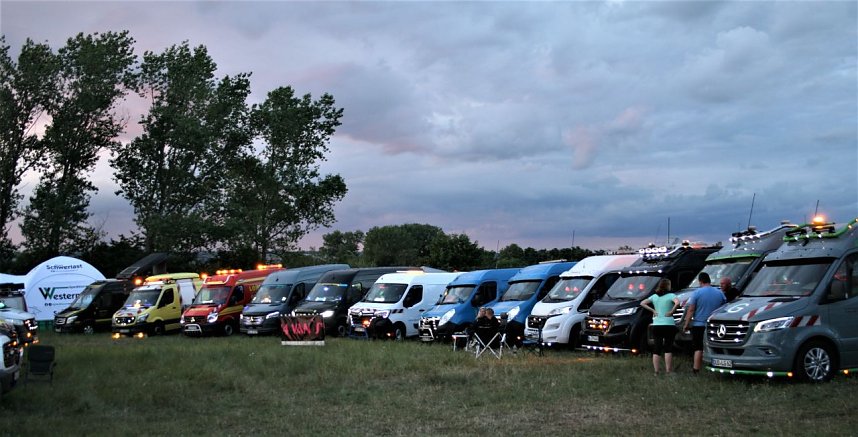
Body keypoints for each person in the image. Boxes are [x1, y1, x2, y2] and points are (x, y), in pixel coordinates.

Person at [683, 272, 726, 374]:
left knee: (698, 348)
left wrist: (686, 323)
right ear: (709, 281)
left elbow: (691, 309)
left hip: (699, 325)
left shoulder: (697, 293)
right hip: (714, 325)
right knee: (714, 347)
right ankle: (716, 367)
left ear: (700, 281)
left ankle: (696, 369)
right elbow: (724, 307)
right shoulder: (719, 292)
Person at [640, 278, 679, 375]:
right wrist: (672, 311)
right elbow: (677, 302)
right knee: (668, 348)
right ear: (668, 286)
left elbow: (642, 303)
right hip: (669, 324)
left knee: (657, 348)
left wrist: (653, 310)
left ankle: (656, 371)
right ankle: (668, 371)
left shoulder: (654, 296)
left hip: (657, 325)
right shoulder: (671, 295)